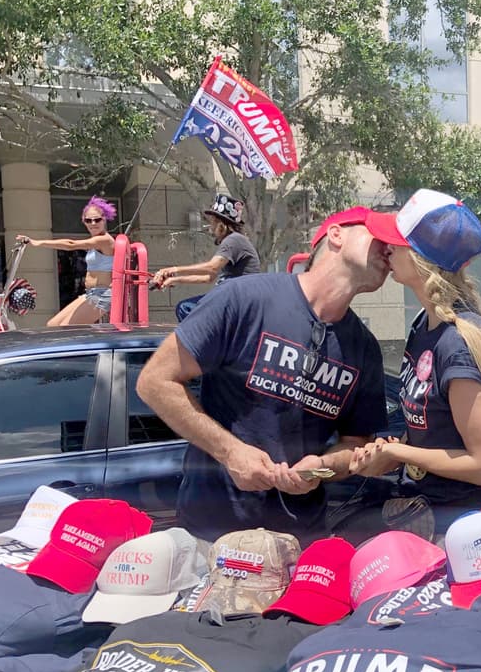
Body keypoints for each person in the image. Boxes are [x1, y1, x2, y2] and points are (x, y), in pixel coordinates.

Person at [136, 207, 392, 543]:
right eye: (378, 236)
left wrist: (319, 468)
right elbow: (155, 381)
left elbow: (356, 445)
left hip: (299, 542)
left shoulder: (364, 348)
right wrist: (230, 452)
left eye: (391, 245)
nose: (388, 250)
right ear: (336, 234)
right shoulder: (244, 299)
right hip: (211, 534)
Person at [347, 190, 481, 537]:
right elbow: (433, 430)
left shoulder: (458, 342)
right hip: (430, 518)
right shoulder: (424, 325)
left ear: (422, 258)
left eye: (397, 241)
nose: (387, 248)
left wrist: (401, 452)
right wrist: (390, 451)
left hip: (465, 532)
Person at [152, 193, 262, 321]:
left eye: (213, 221)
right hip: (234, 298)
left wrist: (174, 269)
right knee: (187, 308)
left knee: (185, 308)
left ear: (221, 224)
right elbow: (208, 278)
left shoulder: (233, 240)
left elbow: (212, 267)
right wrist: (174, 280)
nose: (211, 226)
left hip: (236, 301)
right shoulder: (235, 241)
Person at [16, 196, 118, 326]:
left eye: (97, 219)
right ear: (84, 221)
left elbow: (71, 244)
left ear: (104, 219)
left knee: (65, 329)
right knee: (52, 325)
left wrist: (37, 242)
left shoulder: (104, 240)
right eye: (88, 220)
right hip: (90, 293)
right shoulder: (95, 241)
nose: (93, 223)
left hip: (102, 294)